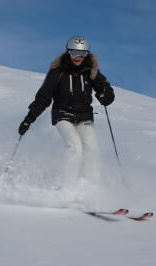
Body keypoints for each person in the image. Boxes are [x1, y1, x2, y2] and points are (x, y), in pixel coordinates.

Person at [18, 35, 115, 192]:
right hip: (62, 114)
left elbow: (106, 89)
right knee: (74, 146)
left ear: (87, 54)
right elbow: (43, 98)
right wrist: (28, 120)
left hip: (84, 116)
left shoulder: (91, 70)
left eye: (82, 54)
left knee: (91, 148)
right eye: (74, 53)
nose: (78, 57)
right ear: (68, 52)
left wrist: (106, 96)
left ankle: (90, 190)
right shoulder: (57, 72)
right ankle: (67, 189)